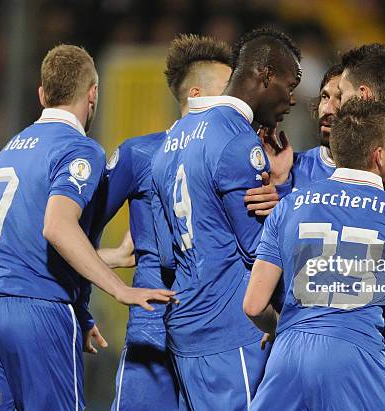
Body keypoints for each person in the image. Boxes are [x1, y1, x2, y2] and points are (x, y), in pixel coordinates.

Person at [0, 44, 174, 410]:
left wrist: (109, 260)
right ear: (92, 94)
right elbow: (57, 228)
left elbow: (24, 245)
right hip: (36, 313)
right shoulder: (79, 149)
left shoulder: (11, 147)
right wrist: (119, 289)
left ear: (42, 94)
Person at [246, 44, 385, 407]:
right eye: (325, 96)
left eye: (341, 94)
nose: (332, 106)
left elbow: (254, 305)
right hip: (354, 342)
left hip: (350, 339)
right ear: (378, 157)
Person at [150, 28, 301, 411]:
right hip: (232, 330)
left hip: (185, 327)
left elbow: (167, 253)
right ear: (265, 74)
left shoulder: (173, 138)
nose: (293, 98)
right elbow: (259, 252)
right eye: (290, 82)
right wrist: (287, 198)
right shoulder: (236, 139)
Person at [95, 34, 232, 411]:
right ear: (196, 95)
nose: (237, 100)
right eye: (227, 90)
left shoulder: (234, 155)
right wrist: (113, 258)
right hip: (154, 321)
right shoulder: (139, 153)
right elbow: (74, 230)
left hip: (216, 325)